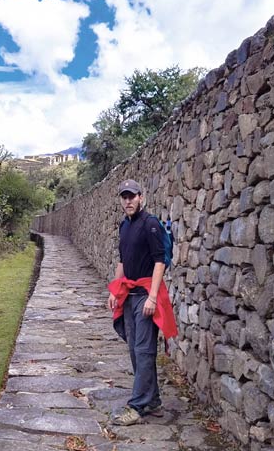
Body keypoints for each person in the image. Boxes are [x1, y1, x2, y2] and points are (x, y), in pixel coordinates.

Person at [107, 179, 178, 426]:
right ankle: (153, 399)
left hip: (146, 296)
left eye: (132, 196)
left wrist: (152, 297)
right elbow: (122, 261)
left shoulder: (151, 225)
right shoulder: (124, 226)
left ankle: (137, 406)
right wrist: (115, 291)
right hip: (129, 295)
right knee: (135, 350)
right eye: (124, 197)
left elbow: (160, 261)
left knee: (145, 350)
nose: (128, 201)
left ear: (141, 197)